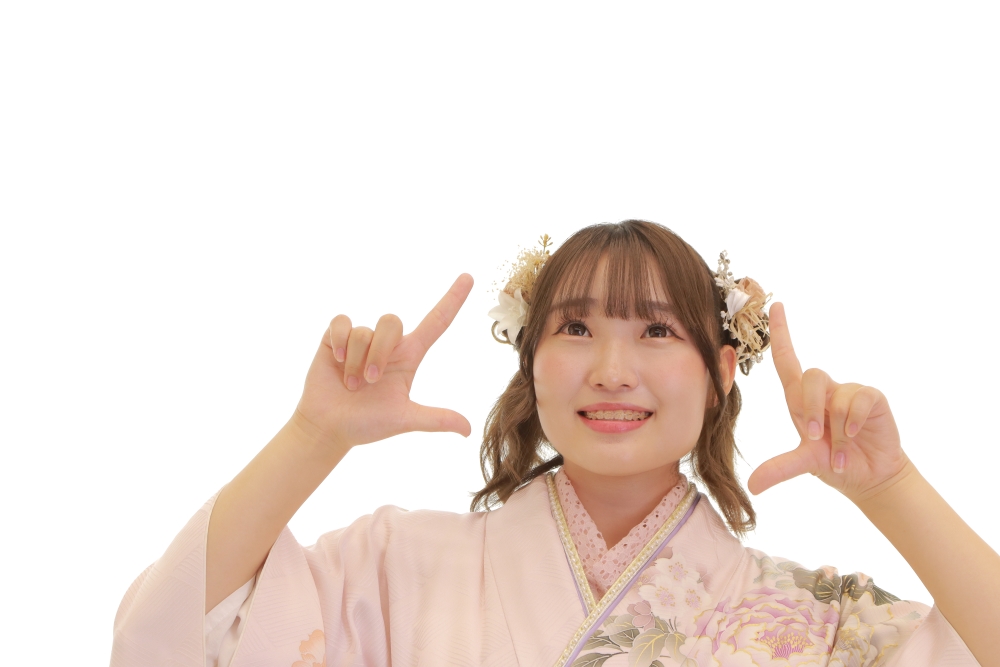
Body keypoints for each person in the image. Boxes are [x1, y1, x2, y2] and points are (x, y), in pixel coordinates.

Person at [111, 220, 996, 667]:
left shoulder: (804, 619)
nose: (611, 370)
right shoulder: (395, 563)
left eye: (656, 332)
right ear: (531, 359)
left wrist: (891, 487)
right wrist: (313, 437)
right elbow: (166, 639)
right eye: (575, 328)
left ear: (722, 370)